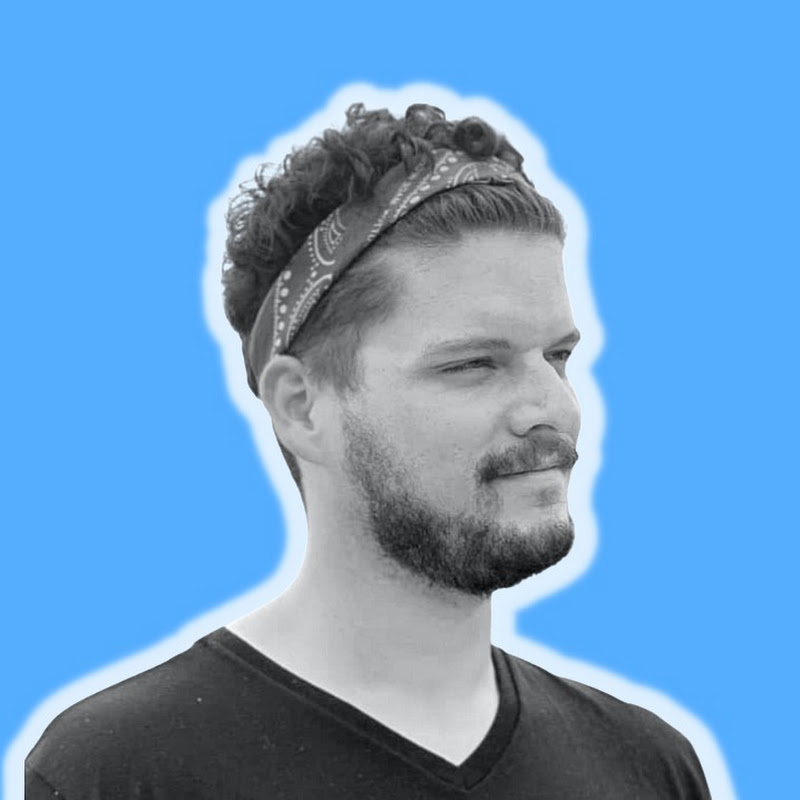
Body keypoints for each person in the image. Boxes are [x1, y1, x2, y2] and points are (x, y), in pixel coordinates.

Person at [26, 103, 711, 798]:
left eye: (557, 357)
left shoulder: (647, 765)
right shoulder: (122, 771)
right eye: (473, 364)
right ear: (301, 405)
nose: (552, 409)